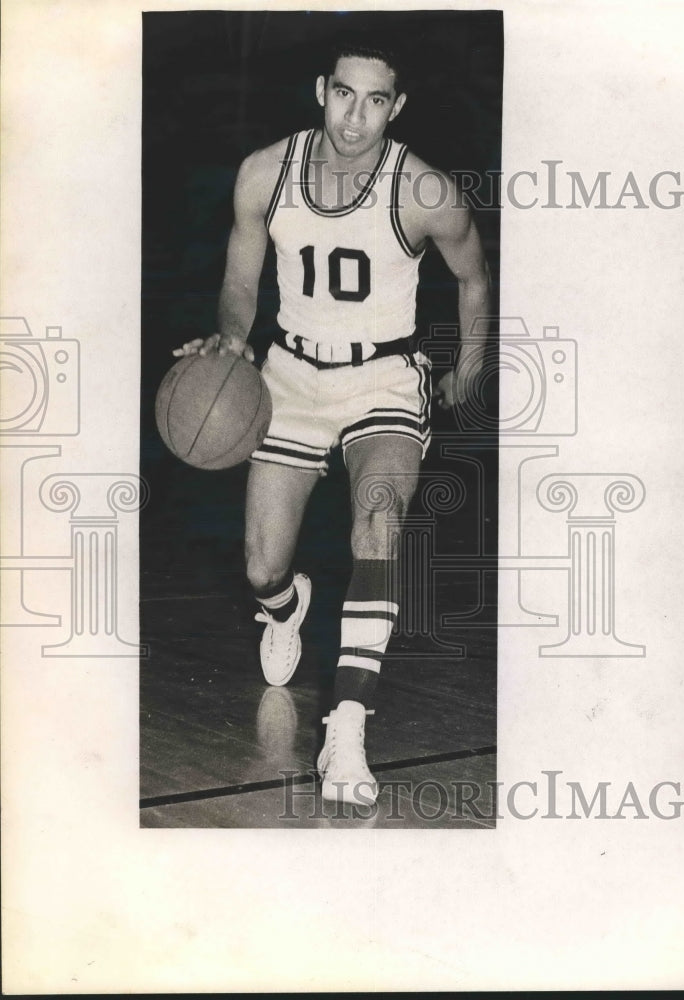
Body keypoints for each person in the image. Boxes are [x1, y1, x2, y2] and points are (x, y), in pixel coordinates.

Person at [174, 37, 490, 807]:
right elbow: (241, 284)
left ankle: (346, 729)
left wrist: (470, 362)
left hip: (383, 377)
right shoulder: (264, 173)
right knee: (260, 569)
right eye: (345, 94)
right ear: (322, 89)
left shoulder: (422, 190)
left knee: (378, 527)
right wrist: (230, 339)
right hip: (288, 376)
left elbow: (474, 277)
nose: (357, 116)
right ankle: (286, 605)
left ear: (397, 105)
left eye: (376, 100)